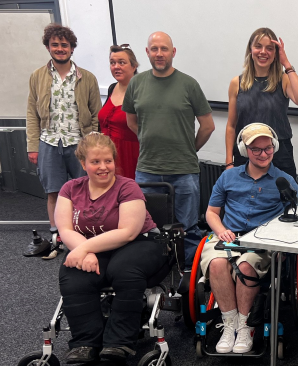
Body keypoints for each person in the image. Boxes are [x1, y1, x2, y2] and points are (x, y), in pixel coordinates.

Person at [55, 133, 169, 366]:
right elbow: (65, 228)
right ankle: (86, 342)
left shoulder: (128, 187)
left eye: (108, 161)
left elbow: (127, 231)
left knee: (124, 271)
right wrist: (84, 253)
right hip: (93, 247)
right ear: (83, 163)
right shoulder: (70, 189)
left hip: (140, 242)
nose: (103, 167)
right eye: (95, 162)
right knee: (74, 276)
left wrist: (84, 249)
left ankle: (119, 341)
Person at [200, 123, 298, 354]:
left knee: (245, 266)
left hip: (261, 241)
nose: (263, 154)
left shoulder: (285, 181)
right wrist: (221, 229)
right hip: (229, 235)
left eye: (268, 149)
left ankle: (245, 327)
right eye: (256, 150)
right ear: (245, 151)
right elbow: (211, 213)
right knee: (217, 263)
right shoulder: (228, 177)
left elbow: (293, 219)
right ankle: (229, 323)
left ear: (274, 148)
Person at [123, 31, 215, 268]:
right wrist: (147, 139)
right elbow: (132, 121)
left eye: (164, 49)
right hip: (147, 169)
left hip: (183, 169)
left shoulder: (188, 84)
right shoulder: (136, 83)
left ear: (173, 52)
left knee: (189, 227)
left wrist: (188, 149)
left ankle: (189, 274)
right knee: (146, 225)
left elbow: (208, 126)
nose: (159, 54)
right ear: (147, 53)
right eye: (154, 49)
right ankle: (155, 269)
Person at [26, 23, 102, 254]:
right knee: (54, 192)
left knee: (86, 191)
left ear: (71, 48)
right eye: (55, 45)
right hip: (49, 142)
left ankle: (85, 233)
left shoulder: (86, 77)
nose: (60, 49)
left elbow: (96, 113)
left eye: (64, 45)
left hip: (80, 143)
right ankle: (56, 235)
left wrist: (94, 147)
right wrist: (32, 145)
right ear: (48, 47)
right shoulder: (38, 76)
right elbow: (31, 112)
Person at [225, 28, 298, 179]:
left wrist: (286, 64)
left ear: (275, 53)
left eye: (270, 48)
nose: (263, 52)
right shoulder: (236, 83)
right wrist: (228, 163)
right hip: (246, 153)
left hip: (279, 154)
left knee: (283, 200)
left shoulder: (283, 80)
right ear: (250, 50)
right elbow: (231, 126)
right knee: (245, 200)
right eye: (258, 46)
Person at [99, 44, 140, 179]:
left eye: (121, 62)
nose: (116, 66)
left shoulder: (140, 92)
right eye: (112, 63)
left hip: (130, 157)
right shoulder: (112, 88)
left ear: (134, 66)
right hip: (106, 157)